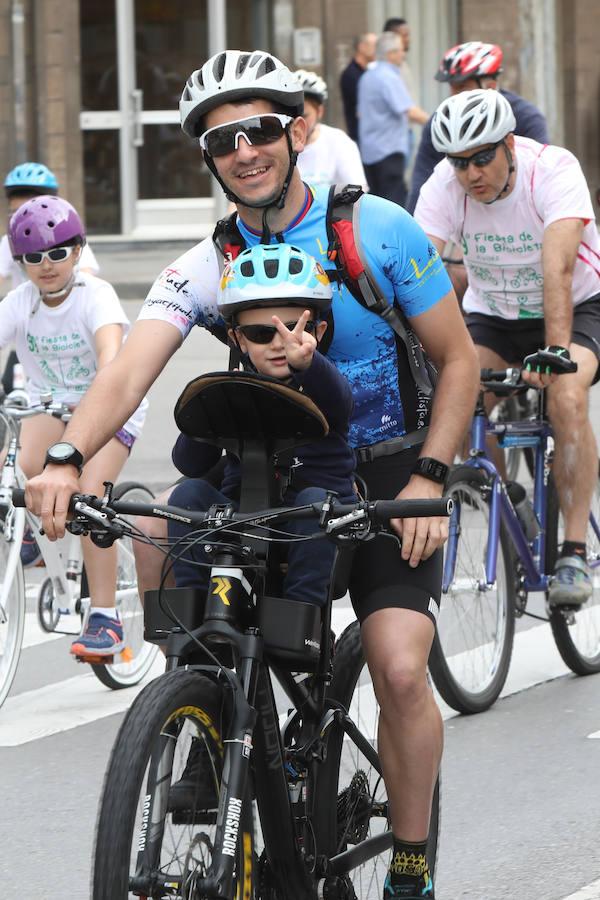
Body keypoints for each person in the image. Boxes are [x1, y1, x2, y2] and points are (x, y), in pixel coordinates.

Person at [24, 50, 479, 899]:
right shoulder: (207, 262)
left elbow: (457, 362)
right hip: (270, 473)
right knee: (163, 524)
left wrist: (428, 477)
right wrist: (64, 456)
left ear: (296, 129)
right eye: (223, 139)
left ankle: (410, 860)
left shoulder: (376, 229)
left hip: (385, 476)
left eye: (261, 128)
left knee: (400, 664)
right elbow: (126, 376)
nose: (245, 149)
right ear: (209, 156)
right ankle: (199, 713)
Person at [414, 88, 600, 608]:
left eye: (482, 157)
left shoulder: (553, 169)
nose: (471, 172)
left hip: (579, 306)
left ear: (510, 144)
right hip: (494, 314)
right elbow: (417, 270)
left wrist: (556, 350)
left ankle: (573, 550)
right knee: (456, 401)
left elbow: (557, 269)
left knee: (565, 396)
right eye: (459, 162)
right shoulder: (443, 188)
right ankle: (509, 496)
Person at [167, 243, 357, 608]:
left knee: (314, 503)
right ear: (237, 338)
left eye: (293, 330)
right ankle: (192, 610)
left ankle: (302, 625)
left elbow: (340, 401)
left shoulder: (323, 383)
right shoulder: (233, 388)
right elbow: (189, 463)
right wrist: (209, 408)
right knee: (187, 494)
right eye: (259, 334)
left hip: (313, 520)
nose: (278, 344)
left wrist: (308, 363)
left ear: (317, 331)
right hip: (243, 519)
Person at [2, 194, 147, 659]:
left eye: (58, 252)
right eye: (32, 257)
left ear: (80, 250)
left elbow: (112, 360)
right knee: (19, 471)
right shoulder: (20, 302)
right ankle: (44, 547)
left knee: (84, 495)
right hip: (49, 404)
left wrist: (103, 388)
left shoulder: (95, 295)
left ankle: (105, 616)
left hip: (106, 404)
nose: (46, 265)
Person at [406, 41, 550, 215]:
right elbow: (421, 182)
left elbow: (541, 177)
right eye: (452, 88)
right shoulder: (440, 125)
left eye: (462, 87)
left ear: (489, 86)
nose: (454, 96)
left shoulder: (527, 118)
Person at [1, 162, 100, 291]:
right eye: (15, 213)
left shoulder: (68, 237)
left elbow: (87, 275)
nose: (21, 221)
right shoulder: (8, 242)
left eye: (28, 212)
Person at [357, 32, 429, 208]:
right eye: (400, 50)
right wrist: (436, 122)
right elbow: (409, 111)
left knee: (376, 205)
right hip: (388, 151)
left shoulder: (367, 76)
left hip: (369, 153)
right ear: (391, 53)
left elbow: (359, 113)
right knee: (395, 206)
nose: (403, 54)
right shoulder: (388, 77)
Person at [293, 69, 367, 188]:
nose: (298, 124)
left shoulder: (339, 142)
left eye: (305, 116)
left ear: (319, 112)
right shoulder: (280, 143)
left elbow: (357, 190)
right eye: (292, 117)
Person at [339, 32, 377, 142]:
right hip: (360, 136)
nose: (377, 50)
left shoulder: (370, 72)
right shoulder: (351, 74)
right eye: (374, 45)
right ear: (361, 47)